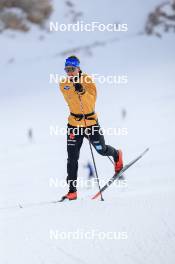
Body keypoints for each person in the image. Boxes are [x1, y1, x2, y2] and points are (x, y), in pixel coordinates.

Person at [59, 56, 123, 200]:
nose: (69, 73)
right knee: (72, 158)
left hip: (90, 122)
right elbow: (72, 101)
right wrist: (76, 88)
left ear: (78, 68)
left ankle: (117, 155)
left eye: (72, 69)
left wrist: (82, 91)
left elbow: (91, 102)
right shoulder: (63, 84)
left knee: (101, 150)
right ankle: (72, 190)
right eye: (67, 70)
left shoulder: (87, 80)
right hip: (74, 124)